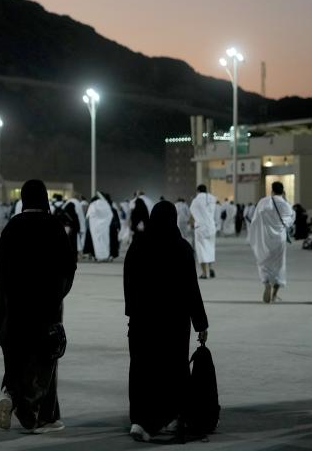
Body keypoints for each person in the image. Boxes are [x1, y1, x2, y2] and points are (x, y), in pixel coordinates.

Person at [0, 179, 77, 433]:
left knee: (18, 354)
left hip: (16, 306)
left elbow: (2, 268)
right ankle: (38, 417)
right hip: (47, 306)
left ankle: (11, 395)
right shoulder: (54, 227)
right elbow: (68, 267)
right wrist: (58, 294)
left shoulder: (12, 226)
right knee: (44, 359)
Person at [125, 201, 208, 441]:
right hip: (173, 324)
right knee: (173, 369)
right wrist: (200, 324)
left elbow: (128, 283)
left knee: (142, 369)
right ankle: (169, 418)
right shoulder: (181, 248)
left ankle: (140, 420)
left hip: (142, 322)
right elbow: (191, 289)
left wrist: (133, 310)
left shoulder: (138, 245)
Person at [247, 182, 296, 303]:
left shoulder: (263, 202)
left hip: (265, 239)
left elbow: (254, 220)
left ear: (272, 190)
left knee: (264, 262)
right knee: (279, 266)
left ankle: (266, 283)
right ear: (283, 191)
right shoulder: (285, 205)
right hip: (279, 239)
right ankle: (274, 294)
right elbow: (289, 221)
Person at [190, 185, 217, 279]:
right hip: (211, 227)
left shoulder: (196, 200)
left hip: (201, 228)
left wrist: (191, 223)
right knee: (210, 249)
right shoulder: (212, 199)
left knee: (201, 250)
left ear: (198, 191)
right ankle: (211, 269)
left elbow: (192, 213)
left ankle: (204, 273)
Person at [85, 192, 116, 262]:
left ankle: (98, 257)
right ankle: (105, 256)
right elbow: (110, 215)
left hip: (95, 227)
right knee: (105, 241)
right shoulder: (106, 204)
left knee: (97, 242)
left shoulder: (93, 204)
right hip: (105, 227)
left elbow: (89, 215)